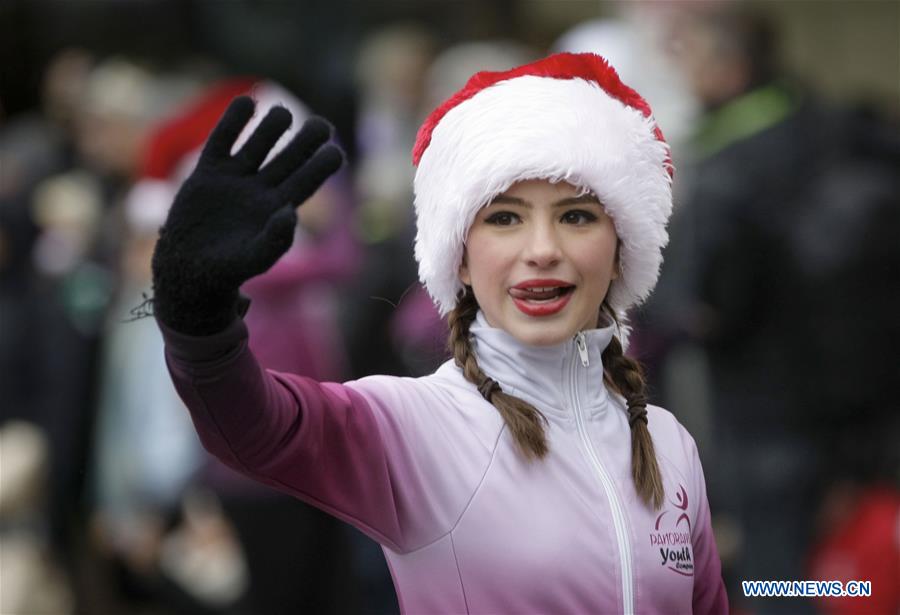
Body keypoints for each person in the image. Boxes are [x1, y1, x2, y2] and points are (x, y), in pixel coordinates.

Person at [149, 53, 728, 613]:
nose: (544, 250)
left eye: (577, 216)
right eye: (504, 218)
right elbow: (255, 427)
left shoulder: (671, 442)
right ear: (461, 258)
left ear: (621, 248)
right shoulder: (415, 424)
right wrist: (195, 315)